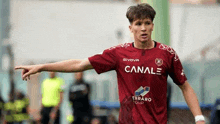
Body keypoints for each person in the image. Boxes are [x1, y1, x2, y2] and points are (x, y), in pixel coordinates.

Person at [15, 3, 205, 124]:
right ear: (131, 28)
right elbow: (79, 64)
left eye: (147, 23)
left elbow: (185, 87)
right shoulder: (118, 53)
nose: (143, 28)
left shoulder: (167, 53)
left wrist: (199, 118)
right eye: (138, 24)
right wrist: (42, 66)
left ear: (153, 26)